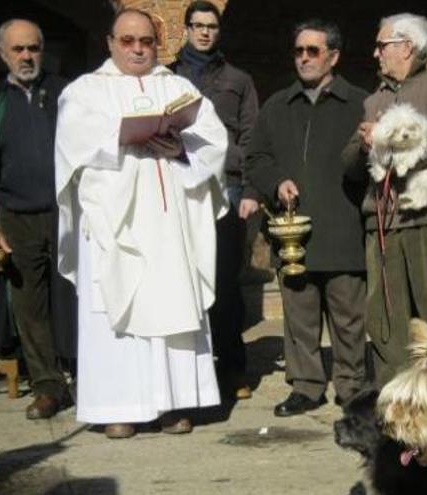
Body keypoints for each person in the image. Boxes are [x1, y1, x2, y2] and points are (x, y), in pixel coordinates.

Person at [55, 8, 227, 439]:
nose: (137, 49)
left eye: (146, 42)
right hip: (116, 222)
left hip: (170, 223)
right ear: (110, 42)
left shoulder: (178, 87)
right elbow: (72, 144)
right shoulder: (85, 91)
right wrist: (121, 134)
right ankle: (118, 407)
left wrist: (180, 150)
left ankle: (173, 405)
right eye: (128, 40)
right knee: (117, 309)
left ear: (157, 43)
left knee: (172, 302)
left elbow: (214, 141)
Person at [245, 19, 369, 415]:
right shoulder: (277, 105)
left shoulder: (359, 103)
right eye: (298, 51)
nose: (303, 58)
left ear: (333, 56)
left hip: (343, 226)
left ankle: (351, 385)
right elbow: (256, 157)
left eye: (312, 51)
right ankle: (306, 385)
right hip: (291, 233)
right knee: (299, 319)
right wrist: (275, 180)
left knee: (349, 319)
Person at [0, 19, 74, 420]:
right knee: (29, 306)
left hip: (69, 215)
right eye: (18, 49)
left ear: (43, 50)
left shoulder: (67, 95)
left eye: (33, 48)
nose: (27, 56)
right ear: (2, 53)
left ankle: (86, 381)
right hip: (18, 219)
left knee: (76, 300)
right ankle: (47, 386)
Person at [342, 13, 427, 386]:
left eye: (382, 46)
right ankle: (392, 402)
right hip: (382, 221)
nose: (375, 53)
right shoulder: (374, 99)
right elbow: (349, 163)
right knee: (384, 318)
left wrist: (385, 141)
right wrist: (365, 144)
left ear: (406, 46)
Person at [170, 0, 258, 400]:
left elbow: (252, 137)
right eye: (198, 25)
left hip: (227, 184)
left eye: (212, 26)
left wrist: (250, 189)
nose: (205, 32)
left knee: (224, 278)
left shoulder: (238, 79)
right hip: (178, 184)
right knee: (183, 277)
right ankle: (191, 368)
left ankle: (233, 366)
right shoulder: (166, 78)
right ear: (186, 28)